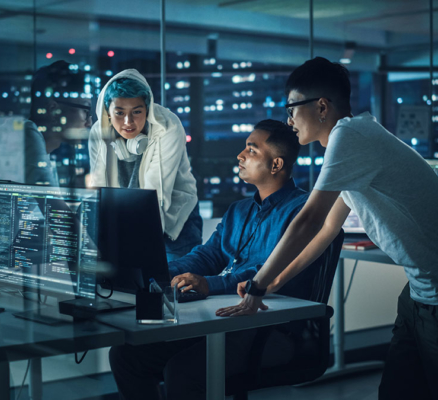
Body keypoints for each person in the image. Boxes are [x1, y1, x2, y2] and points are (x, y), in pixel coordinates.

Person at [216, 57, 438, 400]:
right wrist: (273, 282)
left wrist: (258, 286)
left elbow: (309, 219)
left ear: (321, 106)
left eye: (292, 108)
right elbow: (327, 230)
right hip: (418, 293)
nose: (289, 120)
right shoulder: (358, 138)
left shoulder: (349, 135)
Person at [109, 119, 330, 400]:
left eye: (251, 150)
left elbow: (266, 272)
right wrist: (156, 271)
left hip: (271, 329)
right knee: (127, 356)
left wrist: (209, 285)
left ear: (276, 164)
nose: (240, 155)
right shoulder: (239, 210)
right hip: (223, 319)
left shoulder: (302, 212)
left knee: (183, 371)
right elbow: (207, 255)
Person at [89, 69, 202, 260]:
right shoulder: (98, 133)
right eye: (119, 112)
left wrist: (135, 244)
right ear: (108, 112)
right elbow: (101, 189)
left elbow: (156, 194)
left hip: (176, 220)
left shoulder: (168, 127)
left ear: (147, 110)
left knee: (173, 285)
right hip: (126, 220)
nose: (128, 122)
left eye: (137, 112)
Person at [26, 60, 92, 186]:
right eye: (85, 110)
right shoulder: (29, 137)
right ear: (54, 111)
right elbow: (52, 204)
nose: (89, 123)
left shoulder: (44, 150)